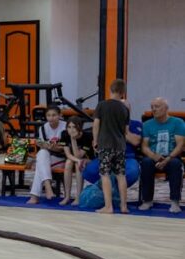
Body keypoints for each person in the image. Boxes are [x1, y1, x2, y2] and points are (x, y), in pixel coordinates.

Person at [139, 97, 184, 213]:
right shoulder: (147, 124)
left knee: (175, 164)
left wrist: (168, 158)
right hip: (154, 156)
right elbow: (144, 146)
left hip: (171, 157)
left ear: (166, 108)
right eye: (152, 107)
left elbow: (180, 145)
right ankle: (147, 200)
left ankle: (175, 201)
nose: (154, 109)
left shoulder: (178, 123)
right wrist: (153, 156)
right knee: (146, 162)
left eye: (157, 106)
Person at [92, 79, 131, 214]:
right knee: (121, 174)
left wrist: (95, 140)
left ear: (110, 89)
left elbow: (96, 124)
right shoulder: (125, 108)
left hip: (105, 143)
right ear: (122, 93)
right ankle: (124, 206)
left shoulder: (102, 105)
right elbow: (126, 130)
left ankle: (108, 206)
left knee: (105, 174)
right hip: (120, 145)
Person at [82, 100, 141, 187]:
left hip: (127, 158)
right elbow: (95, 143)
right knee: (89, 171)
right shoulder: (104, 124)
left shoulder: (136, 124)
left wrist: (117, 129)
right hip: (105, 157)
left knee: (132, 172)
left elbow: (135, 141)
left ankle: (113, 190)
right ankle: (108, 189)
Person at [27, 105, 66, 204]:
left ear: (59, 115)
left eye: (54, 115)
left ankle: (34, 196)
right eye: (48, 115)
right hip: (48, 158)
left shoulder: (65, 126)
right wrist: (44, 146)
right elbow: (43, 147)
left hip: (63, 158)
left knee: (40, 164)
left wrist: (51, 147)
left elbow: (66, 148)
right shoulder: (43, 128)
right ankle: (48, 186)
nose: (51, 118)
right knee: (42, 153)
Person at [59, 117, 94, 206]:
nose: (71, 130)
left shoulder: (87, 136)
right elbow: (68, 154)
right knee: (69, 162)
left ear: (79, 127)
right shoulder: (64, 134)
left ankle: (78, 197)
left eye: (74, 127)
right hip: (76, 159)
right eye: (69, 127)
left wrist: (73, 140)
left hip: (89, 160)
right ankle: (67, 196)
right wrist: (78, 160)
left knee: (78, 164)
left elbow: (78, 155)